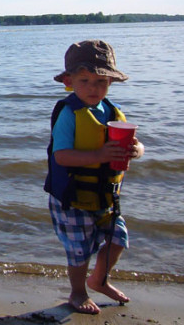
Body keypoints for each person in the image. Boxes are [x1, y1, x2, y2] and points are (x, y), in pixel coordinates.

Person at [44, 40, 145, 315]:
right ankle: (78, 292)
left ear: (111, 82)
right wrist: (100, 154)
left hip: (106, 196)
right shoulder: (69, 113)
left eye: (101, 81)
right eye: (85, 80)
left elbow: (136, 144)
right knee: (79, 252)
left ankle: (99, 280)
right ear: (69, 81)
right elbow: (61, 156)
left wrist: (137, 149)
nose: (93, 87)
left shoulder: (111, 111)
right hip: (73, 197)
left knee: (117, 240)